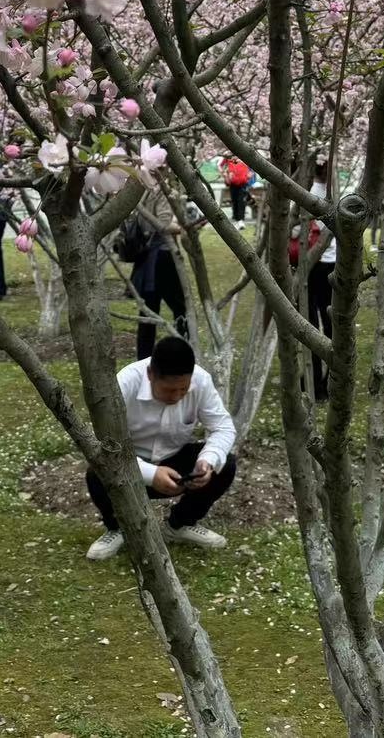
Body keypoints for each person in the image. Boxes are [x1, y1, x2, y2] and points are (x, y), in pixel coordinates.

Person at [85, 335, 237, 561]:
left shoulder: (201, 380)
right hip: (128, 466)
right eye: (168, 390)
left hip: (175, 463)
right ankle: (118, 528)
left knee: (225, 464)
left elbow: (223, 428)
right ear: (150, 375)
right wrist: (151, 474)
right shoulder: (124, 384)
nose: (177, 396)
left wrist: (207, 461)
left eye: (183, 389)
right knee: (97, 471)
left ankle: (179, 525)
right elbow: (105, 446)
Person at [117, 201, 189, 360]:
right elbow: (162, 225)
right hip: (162, 257)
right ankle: (185, 353)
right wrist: (184, 227)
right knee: (181, 309)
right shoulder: (159, 192)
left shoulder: (141, 192)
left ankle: (144, 358)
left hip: (147, 258)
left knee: (148, 313)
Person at [307, 166, 337, 403]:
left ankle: (315, 380)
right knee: (330, 323)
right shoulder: (339, 192)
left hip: (313, 264)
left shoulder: (305, 192)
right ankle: (328, 380)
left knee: (310, 323)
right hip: (331, 263)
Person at [222, 155, 251, 224]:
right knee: (235, 200)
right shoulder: (229, 164)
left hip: (243, 185)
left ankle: (240, 219)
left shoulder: (244, 163)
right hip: (233, 185)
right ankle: (236, 217)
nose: (235, 158)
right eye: (233, 156)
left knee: (241, 201)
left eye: (236, 156)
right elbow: (225, 174)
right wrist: (226, 176)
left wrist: (248, 177)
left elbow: (249, 174)